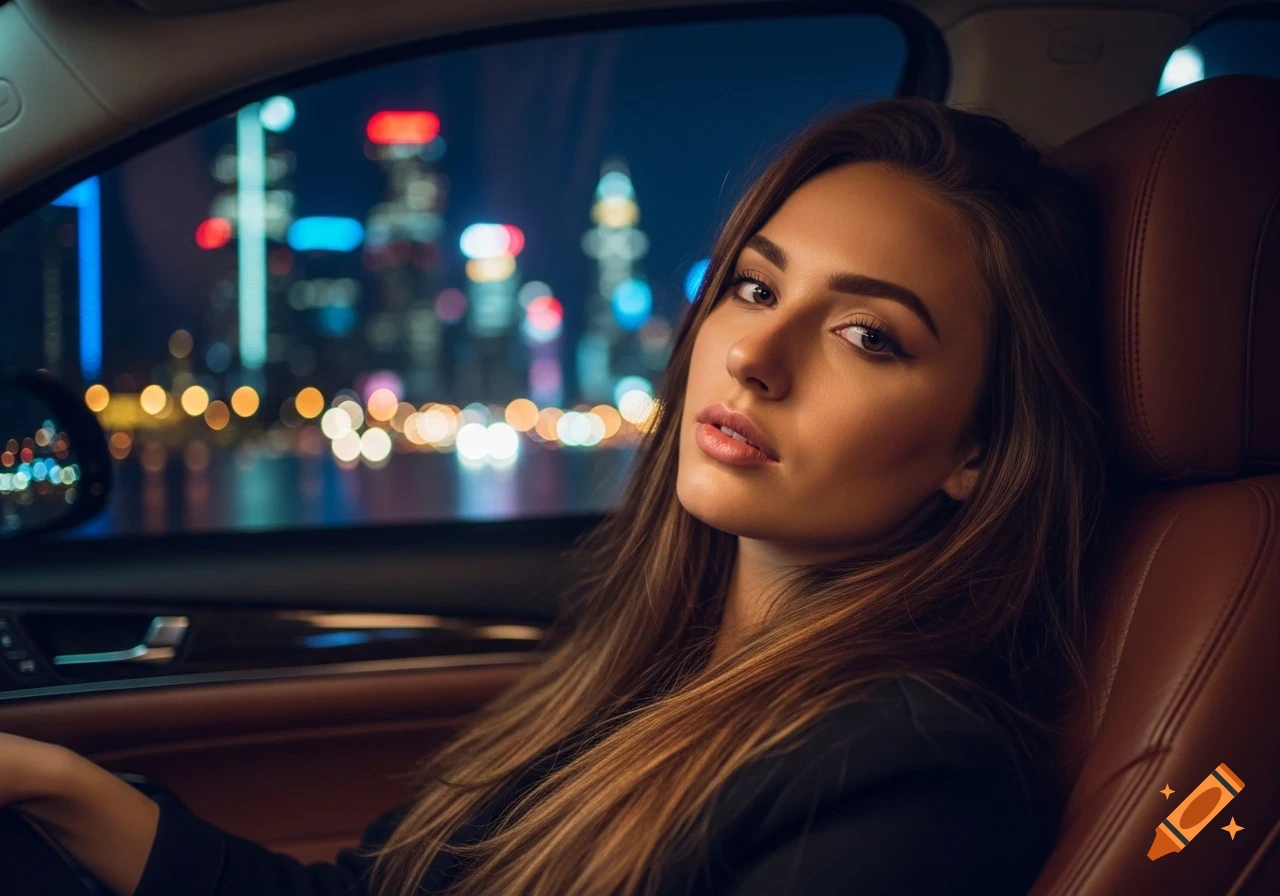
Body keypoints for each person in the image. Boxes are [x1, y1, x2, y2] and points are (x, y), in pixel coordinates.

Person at [0, 95, 1109, 896]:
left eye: (866, 335)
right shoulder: (646, 656)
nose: (754, 355)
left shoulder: (910, 773)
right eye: (753, 285)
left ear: (979, 447)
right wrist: (54, 787)